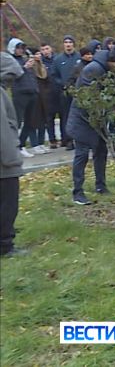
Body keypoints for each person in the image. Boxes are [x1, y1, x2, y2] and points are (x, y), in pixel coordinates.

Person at [66, 46, 115, 205]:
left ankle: (101, 186)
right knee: (81, 154)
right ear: (111, 61)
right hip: (83, 119)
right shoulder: (93, 69)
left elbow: (112, 93)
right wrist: (108, 106)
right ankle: (77, 192)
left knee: (101, 151)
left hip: (98, 119)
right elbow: (89, 98)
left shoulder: (110, 71)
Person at [1, 51, 26, 257]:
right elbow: (3, 130)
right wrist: (12, 160)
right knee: (8, 203)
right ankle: (5, 245)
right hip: (4, 163)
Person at [7, 38, 38, 158]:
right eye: (18, 47)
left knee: (30, 121)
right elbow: (13, 75)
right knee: (17, 122)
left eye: (22, 48)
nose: (20, 50)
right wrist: (25, 67)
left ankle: (22, 144)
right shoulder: (10, 60)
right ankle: (15, 147)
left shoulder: (25, 58)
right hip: (20, 94)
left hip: (32, 92)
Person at [52, 35, 81, 150]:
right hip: (64, 92)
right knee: (66, 116)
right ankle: (68, 140)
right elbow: (54, 76)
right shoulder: (58, 59)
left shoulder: (79, 57)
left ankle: (80, 139)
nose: (68, 44)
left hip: (79, 92)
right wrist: (63, 84)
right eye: (66, 42)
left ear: (73, 44)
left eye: (70, 42)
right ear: (63, 45)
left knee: (80, 116)